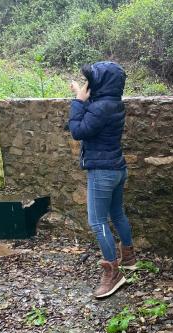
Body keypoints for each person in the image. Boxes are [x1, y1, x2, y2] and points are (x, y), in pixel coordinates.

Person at [68, 61, 137, 298]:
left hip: (102, 172)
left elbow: (78, 131)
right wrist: (84, 98)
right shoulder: (113, 103)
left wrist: (78, 101)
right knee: (117, 214)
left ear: (102, 83)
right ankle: (128, 257)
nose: (89, 84)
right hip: (117, 168)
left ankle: (113, 272)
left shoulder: (100, 107)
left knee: (97, 221)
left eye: (92, 80)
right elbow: (94, 118)